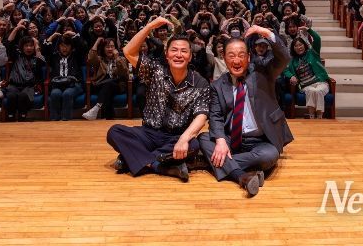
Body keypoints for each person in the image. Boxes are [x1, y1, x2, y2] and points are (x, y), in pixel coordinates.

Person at [107, 17, 209, 182]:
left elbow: (201, 116)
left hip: (175, 137)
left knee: (193, 144)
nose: (179, 55)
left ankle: (131, 158)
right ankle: (158, 165)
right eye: (174, 50)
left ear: (190, 56)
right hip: (148, 133)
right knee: (115, 132)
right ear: (166, 54)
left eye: (184, 51)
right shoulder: (155, 70)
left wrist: (183, 139)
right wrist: (150, 26)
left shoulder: (200, 82)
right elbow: (128, 52)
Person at [198, 24, 293, 197]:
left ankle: (209, 162)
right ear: (224, 58)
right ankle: (243, 175)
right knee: (204, 138)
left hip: (261, 140)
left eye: (241, 55)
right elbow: (216, 117)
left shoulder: (263, 72)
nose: (236, 60)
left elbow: (284, 57)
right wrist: (221, 141)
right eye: (231, 56)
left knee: (269, 156)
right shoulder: (218, 85)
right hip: (232, 139)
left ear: (249, 57)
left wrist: (265, 32)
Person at [283, 28, 330, 119]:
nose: (299, 47)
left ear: (304, 45)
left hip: (320, 82)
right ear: (293, 49)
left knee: (318, 91)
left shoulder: (313, 53)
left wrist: (308, 30)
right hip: (305, 85)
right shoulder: (292, 60)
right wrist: (291, 76)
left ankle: (318, 117)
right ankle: (312, 117)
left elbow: (317, 39)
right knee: (311, 91)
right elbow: (285, 70)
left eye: (300, 45)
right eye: (296, 46)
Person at [83, 37, 129, 120]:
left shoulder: (121, 59)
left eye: (112, 46)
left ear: (115, 48)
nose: (110, 49)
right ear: (103, 49)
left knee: (109, 85)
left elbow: (124, 73)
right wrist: (97, 42)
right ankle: (109, 118)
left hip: (117, 85)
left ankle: (96, 107)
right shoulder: (100, 60)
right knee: (108, 90)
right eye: (107, 47)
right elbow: (90, 58)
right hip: (101, 85)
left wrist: (117, 58)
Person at [4, 36, 46, 122]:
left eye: (31, 46)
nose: (29, 48)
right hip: (14, 85)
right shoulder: (16, 56)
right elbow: (9, 44)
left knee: (23, 96)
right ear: (22, 47)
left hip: (28, 87)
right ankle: (10, 117)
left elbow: (43, 63)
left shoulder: (36, 59)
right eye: (26, 46)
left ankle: (22, 117)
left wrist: (37, 46)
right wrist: (16, 29)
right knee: (11, 96)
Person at [46, 32, 84, 121]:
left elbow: (82, 47)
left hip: (74, 84)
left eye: (67, 45)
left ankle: (66, 120)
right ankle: (55, 119)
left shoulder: (76, 56)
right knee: (55, 94)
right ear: (58, 46)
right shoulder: (54, 57)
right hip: (57, 84)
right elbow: (45, 50)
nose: (65, 48)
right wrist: (52, 37)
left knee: (67, 94)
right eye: (62, 45)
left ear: (71, 46)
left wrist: (73, 35)